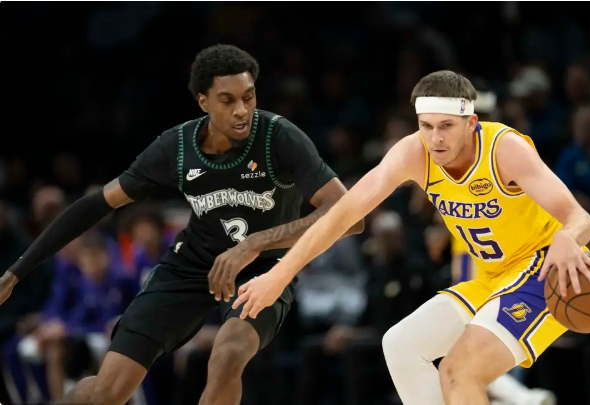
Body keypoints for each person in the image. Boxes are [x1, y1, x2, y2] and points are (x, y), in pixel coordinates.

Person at [0, 44, 363, 405]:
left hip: (264, 268)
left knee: (228, 355)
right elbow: (95, 205)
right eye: (227, 100)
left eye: (248, 97)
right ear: (203, 102)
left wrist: (255, 243)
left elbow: (351, 217)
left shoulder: (279, 137)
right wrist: (16, 272)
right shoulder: (175, 147)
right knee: (108, 392)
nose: (242, 110)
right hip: (190, 264)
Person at [232, 70, 590, 405]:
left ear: (471, 123)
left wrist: (568, 237)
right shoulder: (413, 153)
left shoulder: (505, 149)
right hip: (493, 278)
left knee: (459, 372)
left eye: (446, 126)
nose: (435, 138)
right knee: (401, 345)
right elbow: (342, 214)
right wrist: (280, 273)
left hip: (544, 270)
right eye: (426, 126)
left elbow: (580, 218)